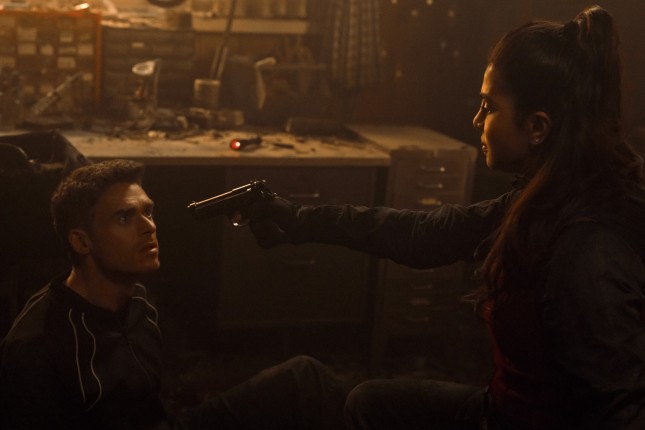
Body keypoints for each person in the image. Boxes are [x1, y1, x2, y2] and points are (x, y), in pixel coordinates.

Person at [246, 5, 645, 429]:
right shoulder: (551, 196)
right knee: (367, 403)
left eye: (489, 106)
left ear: (537, 127)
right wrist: (302, 220)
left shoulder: (587, 251)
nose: (476, 120)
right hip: (501, 410)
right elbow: (428, 235)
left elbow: (617, 412)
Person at [0, 159, 348, 430]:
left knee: (304, 379)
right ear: (81, 241)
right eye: (124, 218)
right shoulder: (38, 345)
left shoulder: (139, 303)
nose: (149, 227)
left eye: (147, 212)